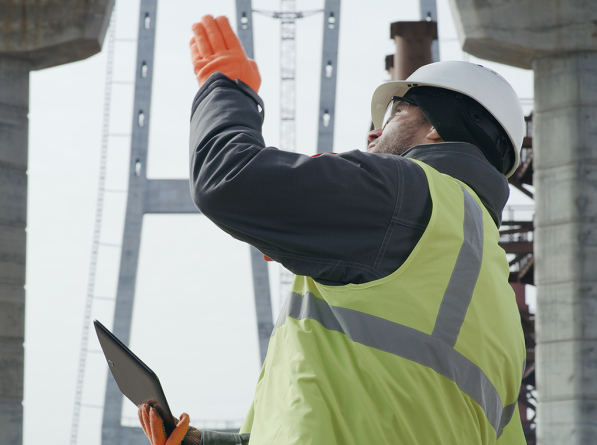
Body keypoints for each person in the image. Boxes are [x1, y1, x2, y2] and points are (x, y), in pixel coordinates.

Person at [137, 14, 527, 445]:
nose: (373, 131)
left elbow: (227, 180)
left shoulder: (404, 194)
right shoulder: (502, 309)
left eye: (397, 111)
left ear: (435, 129)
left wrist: (225, 86)